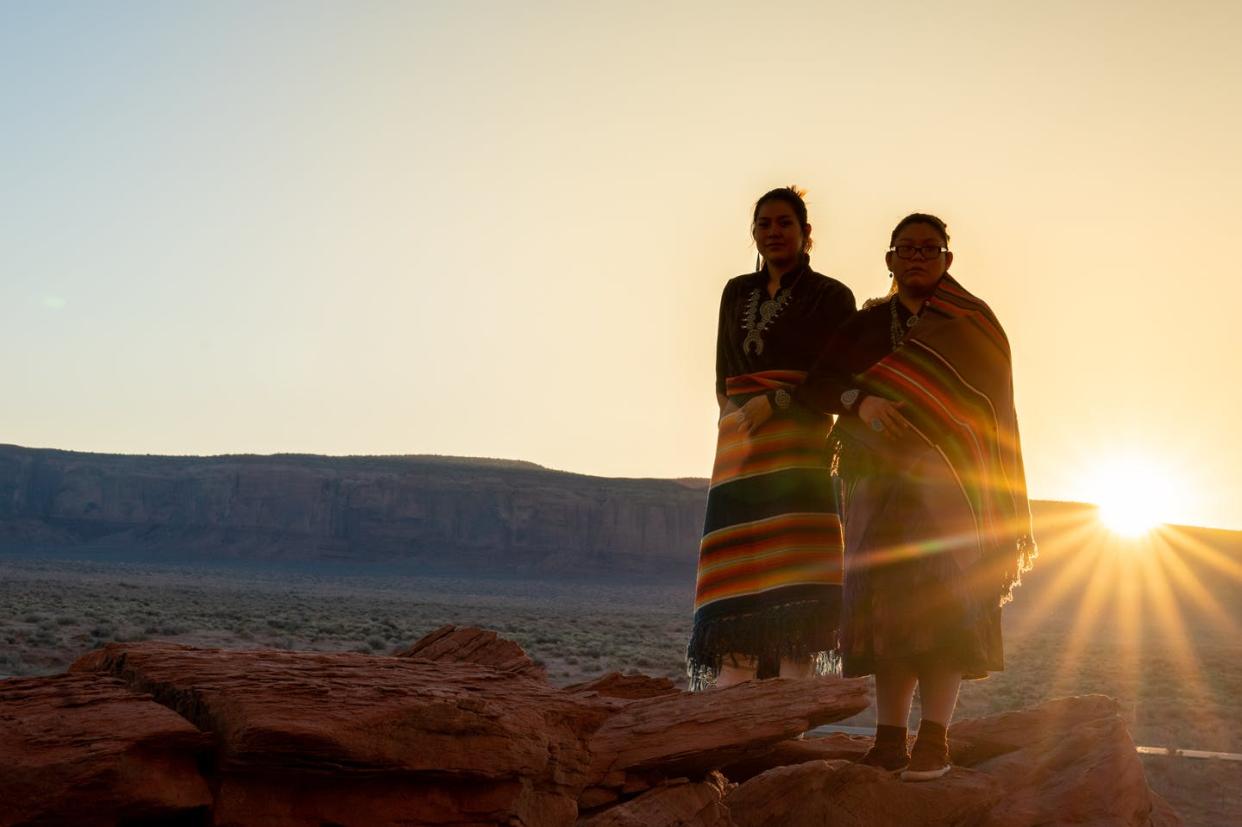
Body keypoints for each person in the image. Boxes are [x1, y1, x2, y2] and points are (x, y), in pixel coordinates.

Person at [794, 213, 1036, 780]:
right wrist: (863, 402)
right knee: (886, 611)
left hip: (953, 490)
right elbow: (818, 386)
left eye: (931, 248)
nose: (919, 257)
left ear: (948, 259)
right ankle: (888, 741)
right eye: (907, 248)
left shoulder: (975, 327)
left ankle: (935, 741)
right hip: (875, 484)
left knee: (947, 607)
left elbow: (992, 415)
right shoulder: (867, 324)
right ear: (890, 260)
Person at [687, 186, 856, 691]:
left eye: (785, 223)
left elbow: (837, 378)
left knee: (797, 572)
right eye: (765, 224)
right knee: (739, 568)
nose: (774, 232)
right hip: (739, 447)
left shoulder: (832, 296)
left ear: (807, 232)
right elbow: (723, 372)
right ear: (754, 233)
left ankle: (789, 712)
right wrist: (731, 421)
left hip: (801, 447)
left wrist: (777, 402)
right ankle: (730, 704)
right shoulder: (735, 292)